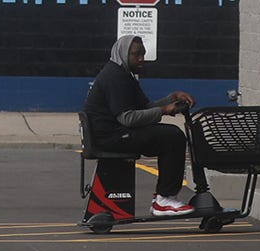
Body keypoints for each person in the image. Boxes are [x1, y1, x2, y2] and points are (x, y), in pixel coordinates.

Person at [83, 35, 196, 216]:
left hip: (114, 134)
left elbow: (145, 108)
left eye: (143, 54)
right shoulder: (115, 77)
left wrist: (172, 98)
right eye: (136, 54)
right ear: (122, 54)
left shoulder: (124, 75)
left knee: (169, 135)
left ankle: (164, 198)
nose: (141, 59)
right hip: (111, 137)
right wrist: (164, 110)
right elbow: (127, 118)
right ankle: (163, 199)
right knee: (172, 137)